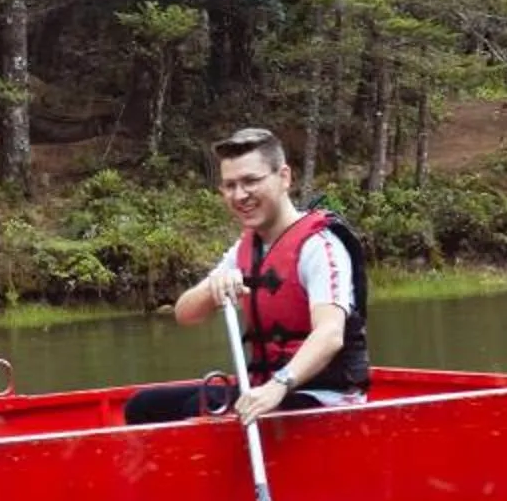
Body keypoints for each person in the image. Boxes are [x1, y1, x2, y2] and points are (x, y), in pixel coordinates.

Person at [124, 127, 367, 425]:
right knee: (144, 406)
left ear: (284, 178)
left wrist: (278, 385)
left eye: (251, 181)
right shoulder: (247, 247)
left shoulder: (320, 246)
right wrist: (212, 288)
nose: (239, 195)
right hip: (264, 390)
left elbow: (330, 334)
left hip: (324, 397)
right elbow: (185, 313)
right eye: (230, 185)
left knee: (198, 409)